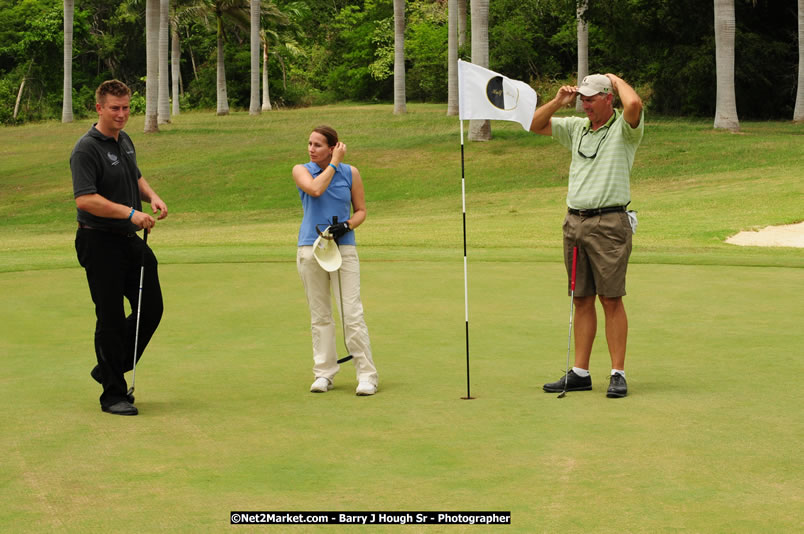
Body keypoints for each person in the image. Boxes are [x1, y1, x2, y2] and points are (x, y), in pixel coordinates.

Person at [530, 74, 644, 398]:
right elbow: (534, 124)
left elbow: (634, 103)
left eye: (592, 98)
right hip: (575, 223)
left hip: (609, 224)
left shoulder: (624, 130)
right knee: (581, 298)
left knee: (610, 299)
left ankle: (617, 373)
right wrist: (557, 102)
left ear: (609, 99)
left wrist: (613, 78)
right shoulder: (576, 128)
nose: (585, 104)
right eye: (583, 98)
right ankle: (580, 372)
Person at [71, 80, 168, 415]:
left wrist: (151, 196)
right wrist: (131, 213)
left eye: (126, 107)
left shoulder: (124, 140)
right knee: (110, 317)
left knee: (152, 308)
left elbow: (134, 176)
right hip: (98, 241)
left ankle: (109, 365)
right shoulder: (86, 148)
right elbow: (86, 199)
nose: (122, 114)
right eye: (115, 108)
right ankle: (112, 393)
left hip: (129, 240)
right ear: (99, 108)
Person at [293, 125, 379, 396]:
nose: (311, 148)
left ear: (332, 147)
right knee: (320, 316)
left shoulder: (351, 173)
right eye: (309, 143)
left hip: (343, 249)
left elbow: (362, 210)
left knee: (352, 314)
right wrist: (334, 163)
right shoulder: (302, 170)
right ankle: (324, 373)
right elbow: (316, 190)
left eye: (318, 144)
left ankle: (367, 375)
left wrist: (348, 225)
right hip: (311, 249)